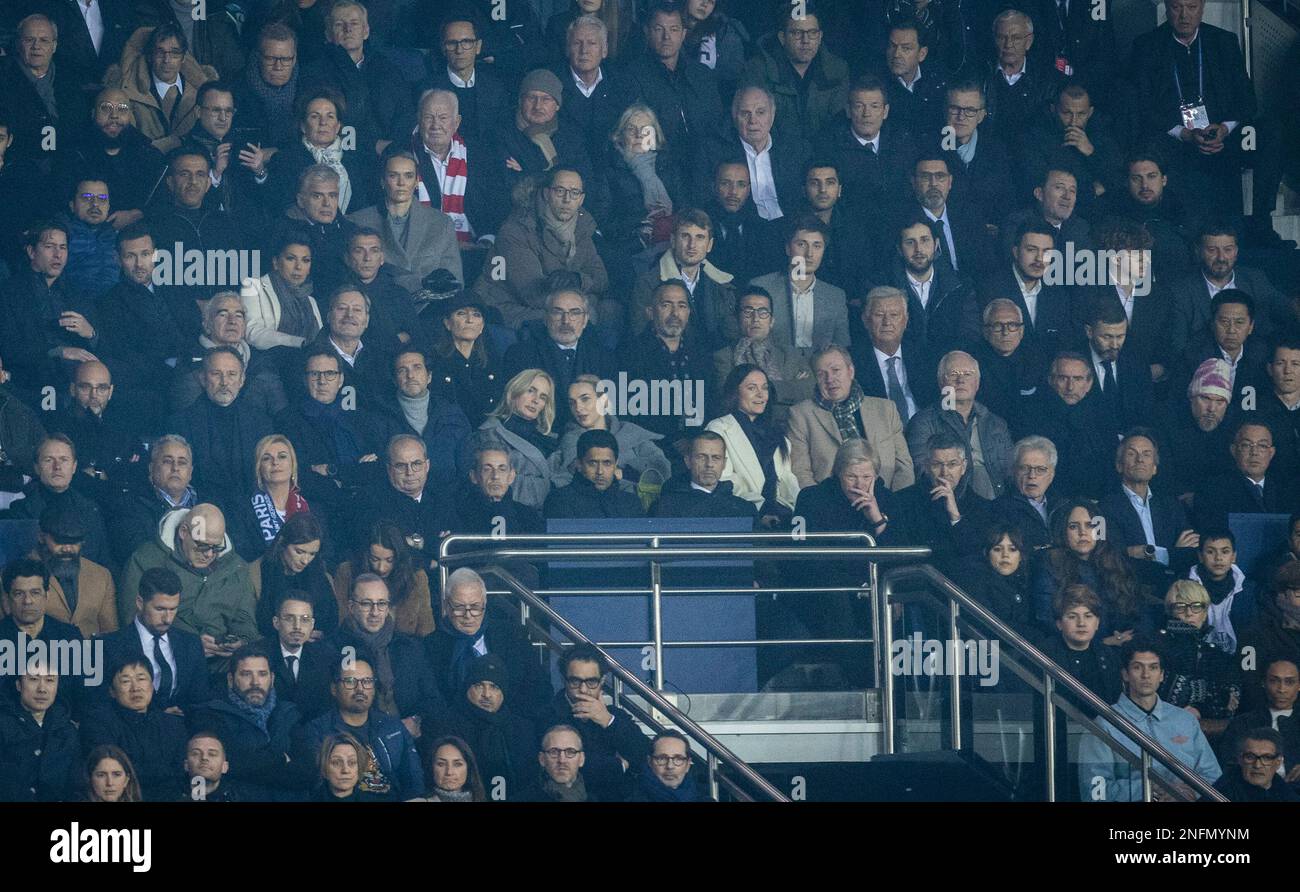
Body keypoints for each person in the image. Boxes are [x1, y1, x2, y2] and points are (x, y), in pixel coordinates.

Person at [1129, 0, 1282, 243]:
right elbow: (1145, 108)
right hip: (1176, 139)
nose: (1184, 16)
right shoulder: (1147, 46)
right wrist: (1185, 133)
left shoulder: (1223, 41)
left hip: (1223, 137)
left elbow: (1246, 101)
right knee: (1151, 142)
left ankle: (1262, 219)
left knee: (1271, 134)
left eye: (1191, 8)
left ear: (1202, 9)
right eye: (1177, 8)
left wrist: (1224, 128)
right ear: (1167, 9)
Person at [1078, 639, 1222, 801]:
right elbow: (1094, 791)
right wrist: (1148, 788)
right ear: (1125, 674)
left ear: (1161, 675)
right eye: (1137, 667)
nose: (1146, 675)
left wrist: (1188, 793)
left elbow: (1213, 775)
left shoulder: (1185, 720)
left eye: (1153, 668)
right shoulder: (1105, 724)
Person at [118, 503, 258, 666]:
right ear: (183, 532)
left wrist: (241, 641)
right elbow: (133, 619)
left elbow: (245, 618)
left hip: (225, 665)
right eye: (202, 546)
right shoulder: (146, 560)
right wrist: (189, 644)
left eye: (216, 547)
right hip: (164, 660)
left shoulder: (236, 567)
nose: (209, 554)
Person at [474, 167, 608, 331]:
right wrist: (580, 300)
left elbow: (601, 279)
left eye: (574, 193)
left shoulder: (581, 226)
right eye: (560, 191)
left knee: (609, 311)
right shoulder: (517, 230)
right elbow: (533, 295)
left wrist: (578, 279)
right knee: (580, 319)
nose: (567, 199)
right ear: (546, 193)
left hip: (559, 305)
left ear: (581, 199)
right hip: (508, 307)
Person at [624, 1, 726, 196]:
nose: (666, 37)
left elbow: (717, 129)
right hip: (660, 176)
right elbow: (640, 144)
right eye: (658, 29)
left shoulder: (702, 76)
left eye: (674, 29)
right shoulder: (631, 77)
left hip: (706, 173)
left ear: (684, 33)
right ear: (647, 32)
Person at [425, 568, 551, 723]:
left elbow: (538, 687)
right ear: (446, 605)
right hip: (455, 728)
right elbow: (432, 700)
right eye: (459, 607)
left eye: (476, 607)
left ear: (485, 603)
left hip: (507, 724)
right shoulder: (430, 646)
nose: (468, 615)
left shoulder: (512, 635)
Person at [145, 147, 246, 339]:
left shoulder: (224, 222)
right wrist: (193, 305)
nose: (193, 182)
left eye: (200, 175)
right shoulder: (154, 227)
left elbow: (240, 272)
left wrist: (222, 307)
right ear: (170, 182)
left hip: (226, 321)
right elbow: (157, 280)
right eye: (185, 174)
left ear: (208, 183)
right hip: (177, 324)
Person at [328, 573, 442, 743]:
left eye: (381, 604)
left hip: (409, 740)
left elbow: (433, 700)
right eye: (366, 604)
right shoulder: (333, 649)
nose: (375, 612)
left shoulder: (409, 647)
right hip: (356, 743)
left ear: (389, 607)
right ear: (351, 607)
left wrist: (415, 720)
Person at [291, 656, 424, 802]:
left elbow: (414, 778)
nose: (360, 688)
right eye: (350, 682)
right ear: (334, 689)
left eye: (367, 681)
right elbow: (316, 786)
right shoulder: (317, 731)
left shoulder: (392, 727)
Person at [186, 642, 307, 800]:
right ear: (230, 679)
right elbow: (232, 766)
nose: (255, 682)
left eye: (262, 674)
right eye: (246, 674)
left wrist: (254, 767)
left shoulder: (289, 714)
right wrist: (281, 759)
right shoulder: (211, 715)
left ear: (272, 678)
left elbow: (307, 772)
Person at [787, 345, 914, 490]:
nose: (830, 379)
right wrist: (821, 506)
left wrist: (894, 504)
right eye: (822, 374)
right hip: (831, 505)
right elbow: (800, 473)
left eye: (836, 370)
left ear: (851, 371)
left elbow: (904, 466)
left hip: (887, 501)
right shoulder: (800, 415)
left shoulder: (885, 409)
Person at [1031, 499, 1156, 644]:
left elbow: (1139, 612)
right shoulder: (1050, 564)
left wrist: (1132, 637)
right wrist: (1101, 643)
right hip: (1076, 651)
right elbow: (1046, 620)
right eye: (1073, 527)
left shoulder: (1115, 561)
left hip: (1126, 650)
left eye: (1090, 525)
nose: (1083, 533)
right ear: (1063, 532)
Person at [273, 348, 393, 500]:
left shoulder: (360, 417)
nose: (322, 381)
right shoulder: (288, 420)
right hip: (322, 503)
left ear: (340, 380)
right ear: (305, 379)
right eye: (314, 374)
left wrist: (332, 471)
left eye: (330, 374)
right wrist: (357, 471)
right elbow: (301, 475)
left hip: (369, 497)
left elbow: (380, 466)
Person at [0, 222, 99, 403]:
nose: (58, 254)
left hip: (74, 379)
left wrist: (91, 333)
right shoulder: (9, 293)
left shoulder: (75, 294)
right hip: (30, 380)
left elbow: (100, 344)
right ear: (31, 252)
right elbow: (10, 349)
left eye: (63, 247)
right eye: (49, 247)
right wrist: (58, 351)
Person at [164, 347, 274, 511]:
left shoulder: (262, 423)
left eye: (232, 374)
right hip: (200, 511)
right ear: (202, 378)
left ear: (242, 379)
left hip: (253, 512)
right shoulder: (179, 423)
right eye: (216, 374)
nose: (224, 382)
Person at [347, 149, 464, 294]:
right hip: (376, 306)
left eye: (408, 176)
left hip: (429, 309)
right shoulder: (357, 221)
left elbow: (454, 281)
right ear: (382, 181)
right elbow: (350, 279)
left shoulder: (441, 223)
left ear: (416, 182)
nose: (401, 183)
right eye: (393, 175)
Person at [96, 567, 210, 714]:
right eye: (160, 609)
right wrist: (157, 716)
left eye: (173, 609)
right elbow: (98, 702)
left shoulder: (191, 643)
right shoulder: (107, 646)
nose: (167, 618)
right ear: (139, 602)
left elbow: (200, 699)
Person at [1169, 223, 1289, 359]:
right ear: (1198, 251)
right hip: (1200, 365)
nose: (1221, 257)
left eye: (1228, 250)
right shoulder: (1180, 290)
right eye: (1212, 250)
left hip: (1255, 366)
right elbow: (1178, 345)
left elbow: (1288, 310)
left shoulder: (1256, 280)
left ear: (1236, 251)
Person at [905, 350, 1014, 500]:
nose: (960, 380)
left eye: (967, 374)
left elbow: (1010, 472)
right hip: (948, 502)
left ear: (977, 383)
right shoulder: (923, 422)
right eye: (953, 374)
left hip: (999, 505)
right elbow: (922, 471)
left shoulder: (996, 423)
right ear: (941, 382)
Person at [301, 0, 406, 156]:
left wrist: (395, 146)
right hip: (339, 156)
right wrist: (372, 144)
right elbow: (317, 124)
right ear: (328, 34)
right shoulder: (314, 73)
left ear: (366, 31)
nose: (347, 29)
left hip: (390, 156)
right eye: (339, 24)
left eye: (354, 23)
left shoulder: (388, 70)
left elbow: (405, 113)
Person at [503, 284, 615, 429]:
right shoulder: (521, 355)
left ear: (586, 319)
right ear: (545, 318)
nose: (566, 321)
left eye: (575, 313)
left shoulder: (604, 358)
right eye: (557, 312)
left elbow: (609, 409)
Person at [407, 88, 505, 254]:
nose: (435, 125)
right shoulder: (403, 154)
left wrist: (485, 243)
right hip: (418, 250)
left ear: (457, 122)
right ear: (419, 119)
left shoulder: (479, 155)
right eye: (428, 117)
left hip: (473, 248)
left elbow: (494, 204)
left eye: (443, 118)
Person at [78, 656, 188, 800]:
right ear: (112, 691)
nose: (135, 688)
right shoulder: (97, 723)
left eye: (141, 679)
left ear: (152, 685)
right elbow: (112, 771)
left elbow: (182, 771)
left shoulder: (173, 725)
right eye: (125, 681)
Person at [704, 365, 799, 526]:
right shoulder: (718, 428)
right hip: (744, 516)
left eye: (765, 388)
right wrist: (760, 511)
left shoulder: (777, 434)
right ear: (735, 392)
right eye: (752, 388)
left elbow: (787, 479)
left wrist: (796, 508)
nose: (761, 395)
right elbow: (724, 481)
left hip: (782, 516)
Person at [103, 22, 218, 154]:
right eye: (160, 52)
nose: (167, 60)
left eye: (174, 53)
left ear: (183, 58)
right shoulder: (126, 92)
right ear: (150, 56)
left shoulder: (203, 96)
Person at [629, 210, 736, 351]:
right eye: (685, 236)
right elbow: (641, 336)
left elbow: (731, 335)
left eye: (700, 237)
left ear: (709, 245)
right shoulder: (648, 283)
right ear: (673, 240)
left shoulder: (721, 284)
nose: (692, 245)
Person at [741, 0, 849, 141]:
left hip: (825, 154)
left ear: (820, 36)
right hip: (776, 153)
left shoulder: (837, 70)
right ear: (782, 37)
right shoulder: (757, 70)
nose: (806, 40)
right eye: (797, 33)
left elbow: (839, 125)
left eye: (812, 33)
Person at [431, 654, 536, 797]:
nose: (486, 694)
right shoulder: (445, 726)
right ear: (467, 688)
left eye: (494, 687)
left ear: (504, 692)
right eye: (479, 686)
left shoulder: (522, 729)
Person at [875, 214, 979, 358]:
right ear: (899, 249)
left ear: (936, 244)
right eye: (910, 242)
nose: (918, 249)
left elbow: (969, 337)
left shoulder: (960, 285)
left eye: (925, 240)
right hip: (904, 366)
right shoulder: (883, 287)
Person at [3, 435, 112, 570]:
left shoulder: (91, 510)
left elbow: (104, 560)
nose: (57, 467)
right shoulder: (20, 512)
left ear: (74, 467)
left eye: (64, 460)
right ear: (37, 467)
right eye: (49, 460)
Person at [624, 280, 715, 441]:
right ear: (650, 312)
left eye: (681, 306)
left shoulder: (701, 354)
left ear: (688, 313)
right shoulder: (630, 354)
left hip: (698, 445)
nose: (675, 313)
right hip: (650, 444)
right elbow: (631, 413)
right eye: (666, 305)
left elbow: (710, 404)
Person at [747, 216, 849, 360]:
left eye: (817, 246)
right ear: (788, 248)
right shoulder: (761, 287)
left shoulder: (835, 296)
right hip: (772, 372)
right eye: (802, 244)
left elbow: (842, 350)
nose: (809, 254)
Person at [170, 292, 286, 417]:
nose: (232, 321)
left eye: (238, 316)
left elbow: (281, 413)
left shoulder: (262, 362)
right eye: (223, 315)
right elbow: (186, 416)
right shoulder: (188, 361)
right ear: (207, 325)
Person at [1097, 431, 1198, 574]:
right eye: (1132, 454)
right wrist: (1172, 552)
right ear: (1119, 465)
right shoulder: (1103, 508)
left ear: (1155, 468)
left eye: (1146, 454)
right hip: (1127, 586)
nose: (1140, 459)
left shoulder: (1171, 504)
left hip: (1172, 585)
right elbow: (1108, 556)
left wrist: (1143, 552)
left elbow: (1191, 549)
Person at [1016, 352, 1113, 499]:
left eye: (1078, 379)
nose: (1070, 387)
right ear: (1051, 380)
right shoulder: (1030, 416)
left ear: (1089, 383)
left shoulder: (1102, 416)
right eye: (1063, 378)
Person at [712, 287, 813, 426]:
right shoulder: (723, 357)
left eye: (763, 312)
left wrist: (765, 389)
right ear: (737, 319)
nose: (756, 319)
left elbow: (808, 390)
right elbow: (729, 398)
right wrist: (789, 386)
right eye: (748, 312)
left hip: (792, 428)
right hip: (744, 429)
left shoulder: (790, 354)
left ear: (772, 321)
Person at [550, 375, 671, 491]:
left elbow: (662, 468)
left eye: (585, 399)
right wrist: (632, 473)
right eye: (572, 403)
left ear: (603, 400)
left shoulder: (629, 431)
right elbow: (578, 476)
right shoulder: (571, 440)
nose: (578, 408)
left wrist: (624, 472)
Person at [353, 434, 457, 569]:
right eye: (401, 466)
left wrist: (416, 543)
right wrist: (429, 559)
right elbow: (381, 552)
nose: (410, 472)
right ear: (389, 469)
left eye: (416, 464)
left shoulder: (442, 497)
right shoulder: (370, 500)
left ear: (427, 466)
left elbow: (456, 547)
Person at [708, 86, 807, 224]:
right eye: (745, 114)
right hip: (743, 228)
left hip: (791, 225)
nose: (753, 121)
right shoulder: (716, 152)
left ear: (772, 115)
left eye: (760, 112)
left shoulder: (794, 149)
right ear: (734, 116)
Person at [1156, 580, 1242, 739]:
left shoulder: (1218, 655)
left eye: (1196, 606)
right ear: (1170, 612)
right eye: (1181, 607)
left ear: (1205, 612)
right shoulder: (1157, 648)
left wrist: (1200, 709)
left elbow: (1230, 702)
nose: (1189, 613)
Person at [0, 15, 89, 166]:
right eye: (29, 40)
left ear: (54, 46)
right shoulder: (3, 74)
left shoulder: (70, 78)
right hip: (16, 164)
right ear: (17, 43)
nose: (36, 46)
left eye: (44, 40)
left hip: (64, 164)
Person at [1021, 84, 1123, 215]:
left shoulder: (1102, 137)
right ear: (1053, 109)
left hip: (1096, 215)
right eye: (1067, 113)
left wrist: (1091, 153)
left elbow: (1117, 180)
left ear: (1090, 112)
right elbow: (1038, 186)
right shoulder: (1034, 138)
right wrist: (1092, 191)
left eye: (1081, 114)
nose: (1073, 122)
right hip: (1046, 215)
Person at [47, 360, 141, 505]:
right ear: (73, 389)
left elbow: (135, 471)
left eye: (102, 388)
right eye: (85, 387)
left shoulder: (125, 425)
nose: (94, 395)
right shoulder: (57, 425)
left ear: (110, 392)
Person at [892, 433, 988, 573]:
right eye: (937, 464)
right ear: (926, 466)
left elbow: (976, 556)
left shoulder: (981, 506)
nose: (945, 472)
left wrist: (955, 517)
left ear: (964, 466)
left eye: (952, 464)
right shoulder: (902, 501)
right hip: (918, 584)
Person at [554, 13, 641, 168]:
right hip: (566, 171)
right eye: (577, 43)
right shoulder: (552, 85)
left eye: (592, 43)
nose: (584, 50)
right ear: (567, 49)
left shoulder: (623, 84)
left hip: (614, 170)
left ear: (604, 50)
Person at [599, 103, 682, 262]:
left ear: (655, 134)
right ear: (620, 135)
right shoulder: (609, 171)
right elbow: (603, 221)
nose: (639, 135)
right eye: (631, 129)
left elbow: (686, 207)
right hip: (632, 246)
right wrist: (641, 221)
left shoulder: (668, 165)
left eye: (646, 130)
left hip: (673, 241)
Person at [492, 68, 594, 195]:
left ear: (557, 105)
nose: (538, 106)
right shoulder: (502, 135)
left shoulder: (571, 136)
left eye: (546, 99)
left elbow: (584, 181)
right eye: (531, 98)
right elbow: (508, 183)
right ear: (520, 101)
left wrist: (526, 172)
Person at [385, 348, 472, 489]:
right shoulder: (380, 417)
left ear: (429, 376)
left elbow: (466, 469)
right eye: (402, 370)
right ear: (395, 380)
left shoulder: (452, 415)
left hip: (449, 500)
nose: (410, 375)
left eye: (417, 368)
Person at [332, 521, 435, 638]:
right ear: (366, 555)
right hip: (357, 643)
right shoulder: (347, 572)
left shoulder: (416, 578)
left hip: (404, 647)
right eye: (375, 559)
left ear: (399, 558)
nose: (381, 568)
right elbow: (340, 621)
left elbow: (426, 627)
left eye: (389, 560)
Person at [474, 369, 558, 510]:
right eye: (531, 391)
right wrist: (544, 487)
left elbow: (561, 483)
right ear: (514, 391)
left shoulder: (550, 441)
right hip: (507, 514)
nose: (536, 400)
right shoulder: (488, 434)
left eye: (543, 397)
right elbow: (494, 482)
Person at [1155, 358, 1236, 505]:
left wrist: (1202, 498)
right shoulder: (1166, 422)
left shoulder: (1234, 428)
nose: (1212, 408)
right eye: (1205, 398)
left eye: (1220, 402)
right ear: (1191, 398)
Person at [1172, 288, 1269, 410]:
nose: (1231, 330)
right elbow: (1179, 404)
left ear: (1250, 327)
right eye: (1224, 322)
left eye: (1239, 322)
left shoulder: (1262, 354)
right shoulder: (1192, 355)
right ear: (1212, 324)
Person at [850, 287, 934, 425]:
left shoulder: (925, 356)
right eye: (879, 315)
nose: (887, 322)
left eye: (894, 315)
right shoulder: (852, 362)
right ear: (865, 320)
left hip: (924, 431)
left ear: (905, 320)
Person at [29, 505, 117, 638]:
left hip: (93, 656)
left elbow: (110, 633)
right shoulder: (14, 576)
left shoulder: (102, 575)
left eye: (74, 542)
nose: (67, 549)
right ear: (41, 537)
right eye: (60, 541)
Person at [1193, 420, 1297, 530]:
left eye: (1262, 445)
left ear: (1271, 453)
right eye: (1246, 445)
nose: (1254, 452)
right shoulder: (1213, 490)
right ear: (1233, 450)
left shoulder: (1287, 491)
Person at [0, 662, 80, 802]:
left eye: (50, 680)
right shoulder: (3, 724)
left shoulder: (68, 731)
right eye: (33, 679)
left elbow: (76, 786)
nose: (42, 689)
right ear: (18, 685)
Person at [423, 16, 508, 148]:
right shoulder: (426, 90)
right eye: (452, 43)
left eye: (467, 42)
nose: (459, 50)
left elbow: (504, 134)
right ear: (443, 48)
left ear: (478, 46)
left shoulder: (496, 88)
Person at [982, 10, 1061, 148]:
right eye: (1002, 37)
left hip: (1033, 152)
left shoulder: (1048, 80)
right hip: (989, 151)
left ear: (1028, 42)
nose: (1008, 45)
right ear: (994, 39)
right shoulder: (980, 75)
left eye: (1016, 38)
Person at [249, 512, 335, 639]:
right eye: (299, 552)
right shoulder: (256, 574)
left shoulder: (323, 578)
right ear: (282, 543)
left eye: (312, 554)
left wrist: (321, 635)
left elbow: (332, 623)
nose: (305, 560)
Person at [241, 226, 323, 358]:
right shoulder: (252, 286)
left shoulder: (310, 300)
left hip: (306, 363)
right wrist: (298, 342)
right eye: (291, 258)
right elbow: (252, 332)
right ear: (276, 262)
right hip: (266, 362)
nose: (298, 267)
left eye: (305, 260)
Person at [1220, 657, 1300, 785]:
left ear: (1299, 685)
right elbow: (1228, 766)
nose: (1281, 689)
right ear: (1264, 682)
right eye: (1274, 681)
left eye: (1289, 682)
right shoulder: (1243, 723)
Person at [430, 292, 502, 425]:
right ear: (447, 324)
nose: (470, 320)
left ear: (482, 326)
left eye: (476, 314)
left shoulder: (491, 361)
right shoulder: (434, 361)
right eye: (461, 313)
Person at [654, 431, 758, 521]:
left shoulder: (745, 510)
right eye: (701, 457)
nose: (709, 464)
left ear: (724, 463)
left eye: (716, 458)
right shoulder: (664, 507)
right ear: (688, 461)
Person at [967, 299, 1039, 428]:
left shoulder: (1036, 359)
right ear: (985, 331)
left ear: (1021, 331)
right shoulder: (971, 362)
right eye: (997, 326)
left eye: (1012, 325)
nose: (1005, 332)